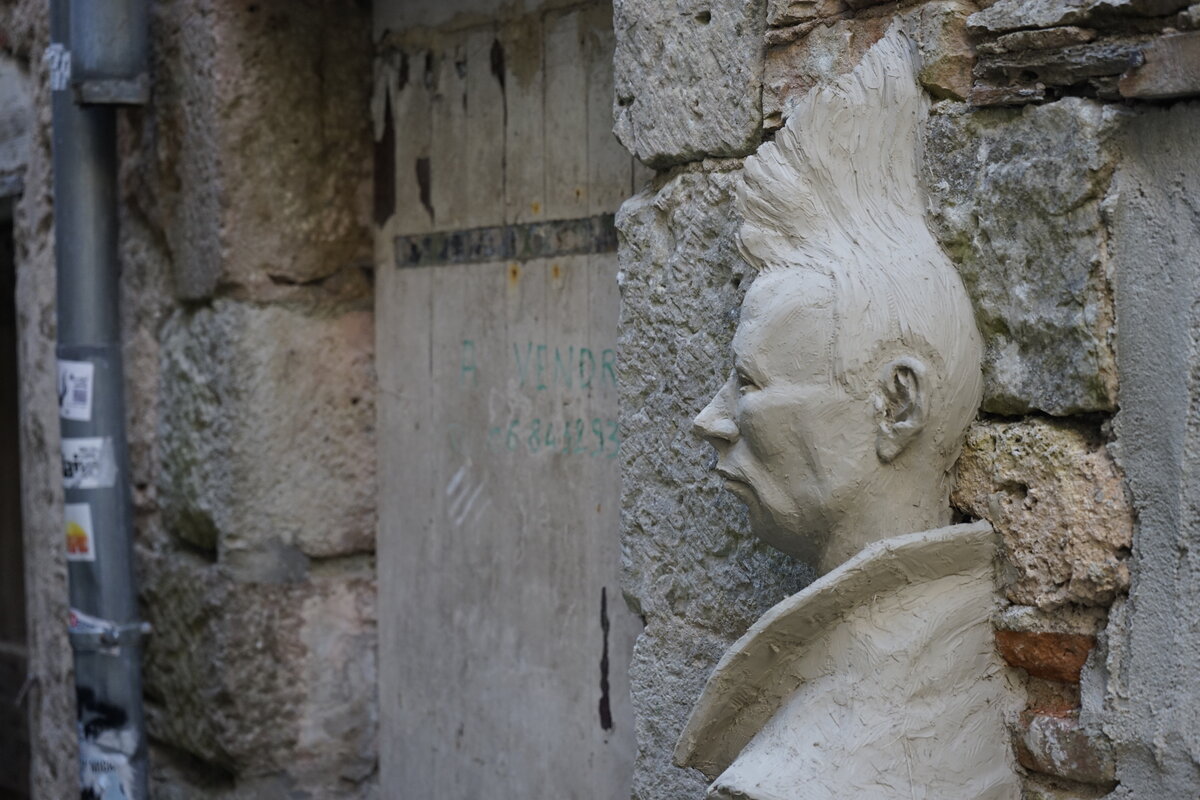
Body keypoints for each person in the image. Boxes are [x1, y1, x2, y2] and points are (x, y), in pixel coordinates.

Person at [673, 25, 1022, 800]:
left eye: (749, 382)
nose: (712, 418)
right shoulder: (951, 661)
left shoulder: (819, 774)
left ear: (895, 405)